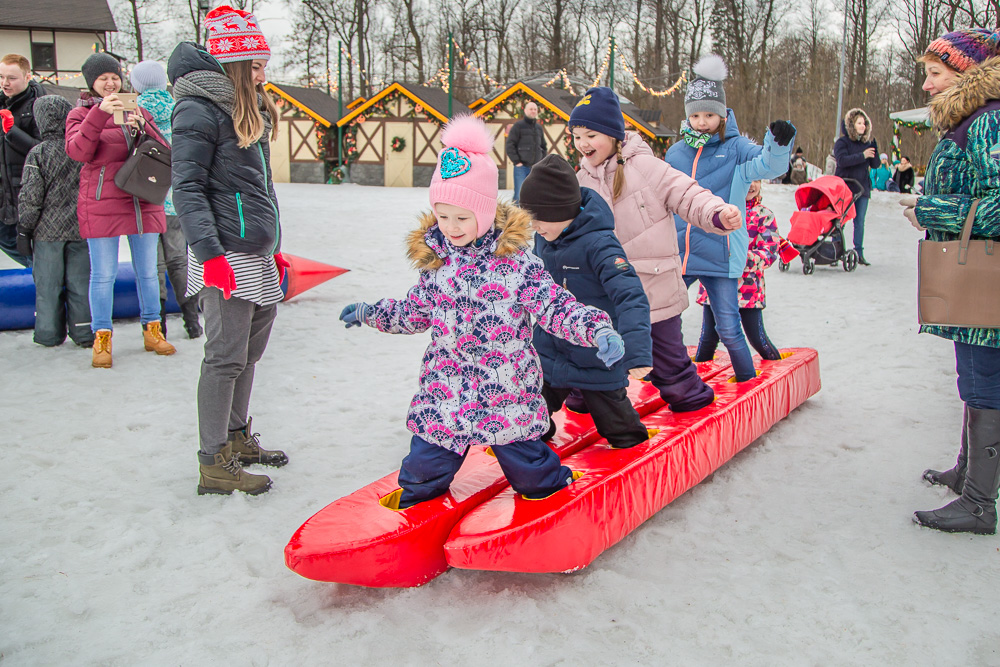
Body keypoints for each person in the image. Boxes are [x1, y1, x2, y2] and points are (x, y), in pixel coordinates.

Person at [339, 115, 625, 509]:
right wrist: (371, 313)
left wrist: (596, 330)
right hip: (445, 393)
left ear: (486, 212)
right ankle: (413, 512)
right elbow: (415, 311)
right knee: (423, 466)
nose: (451, 227)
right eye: (442, 216)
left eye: (462, 217)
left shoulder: (515, 265)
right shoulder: (436, 261)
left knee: (530, 467)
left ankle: (551, 494)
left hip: (506, 393)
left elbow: (555, 306)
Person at [169, 6, 290, 496]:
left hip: (255, 251)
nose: (263, 75)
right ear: (234, 66)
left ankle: (237, 436)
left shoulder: (247, 109)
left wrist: (275, 247)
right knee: (224, 356)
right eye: (256, 66)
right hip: (224, 250)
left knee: (249, 352)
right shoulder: (198, 108)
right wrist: (211, 254)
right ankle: (213, 460)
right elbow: (187, 188)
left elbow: (260, 188)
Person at [570, 86, 742, 412]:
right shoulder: (581, 180)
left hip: (653, 287)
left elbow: (686, 194)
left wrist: (717, 214)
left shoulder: (646, 168)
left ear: (612, 134)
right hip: (604, 291)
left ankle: (690, 399)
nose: (583, 143)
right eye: (577, 136)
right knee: (591, 353)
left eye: (591, 134)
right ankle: (585, 401)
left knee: (666, 357)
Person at [903, 28, 1000, 535]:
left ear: (969, 75)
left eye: (935, 74)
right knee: (973, 372)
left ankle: (982, 502)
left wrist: (930, 207)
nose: (927, 85)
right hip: (974, 272)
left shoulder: (988, 122)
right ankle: (969, 472)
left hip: (986, 276)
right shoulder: (970, 120)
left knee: (986, 377)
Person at [664, 55, 795, 382]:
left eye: (709, 114)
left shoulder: (736, 149)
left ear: (722, 113)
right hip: (681, 254)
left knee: (728, 325)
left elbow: (769, 166)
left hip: (721, 253)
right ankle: (664, 375)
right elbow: (661, 193)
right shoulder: (676, 153)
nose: (702, 122)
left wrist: (778, 144)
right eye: (695, 115)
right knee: (663, 316)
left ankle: (747, 381)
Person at [519, 154, 653, 449]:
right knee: (528, 414)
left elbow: (630, 294)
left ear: (563, 212)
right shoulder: (545, 236)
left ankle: (633, 453)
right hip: (551, 352)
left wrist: (637, 352)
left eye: (539, 219)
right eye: (531, 219)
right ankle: (536, 438)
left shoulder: (600, 244)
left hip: (596, 357)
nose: (535, 227)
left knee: (619, 428)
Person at [66, 52, 175, 368]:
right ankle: (102, 336)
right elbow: (77, 152)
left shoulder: (136, 109)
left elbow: (163, 152)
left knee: (148, 272)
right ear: (92, 83)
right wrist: (98, 114)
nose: (110, 83)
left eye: (114, 77)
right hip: (102, 202)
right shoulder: (79, 113)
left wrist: (145, 127)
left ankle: (152, 329)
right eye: (103, 79)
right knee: (103, 274)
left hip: (142, 198)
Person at [131, 60, 203, 340]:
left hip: (146, 199)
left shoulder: (134, 112)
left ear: (136, 85)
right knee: (179, 261)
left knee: (152, 266)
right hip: (177, 201)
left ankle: (156, 325)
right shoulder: (179, 111)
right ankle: (192, 321)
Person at [16, 95, 93, 347]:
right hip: (81, 229)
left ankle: (48, 334)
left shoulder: (38, 153)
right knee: (80, 286)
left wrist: (24, 229)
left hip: (46, 233)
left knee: (48, 287)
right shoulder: (80, 148)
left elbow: (31, 195)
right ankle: (84, 332)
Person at [694, 180, 781, 363]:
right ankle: (697, 381)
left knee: (756, 338)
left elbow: (769, 252)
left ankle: (777, 368)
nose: (751, 185)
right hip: (715, 286)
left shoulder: (763, 215)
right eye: (746, 180)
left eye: (756, 180)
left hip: (748, 291)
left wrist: (738, 258)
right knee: (709, 338)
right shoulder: (721, 213)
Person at [0, 53, 43, 267]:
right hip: (4, 189)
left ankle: (42, 277)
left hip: (26, 189)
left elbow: (44, 150)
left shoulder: (37, 106)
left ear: (27, 77)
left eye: (11, 78)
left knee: (26, 244)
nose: (5, 83)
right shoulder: (2, 103)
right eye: (1, 77)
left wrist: (12, 131)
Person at [834, 108, 879, 266]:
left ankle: (859, 253)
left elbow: (875, 164)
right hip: (845, 187)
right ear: (851, 125)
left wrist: (874, 148)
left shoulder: (866, 144)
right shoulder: (842, 142)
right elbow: (842, 161)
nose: (863, 126)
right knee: (840, 220)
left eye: (864, 123)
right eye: (859, 123)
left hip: (862, 188)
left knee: (859, 221)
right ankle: (835, 250)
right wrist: (862, 156)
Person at [505, 101, 546, 202]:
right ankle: (516, 217)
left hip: (536, 168)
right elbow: (510, 145)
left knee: (534, 195)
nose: (533, 111)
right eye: (531, 109)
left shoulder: (538, 128)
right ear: (525, 110)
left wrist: (542, 161)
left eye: (535, 109)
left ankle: (533, 217)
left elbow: (543, 146)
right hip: (521, 168)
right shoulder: (518, 126)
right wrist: (517, 162)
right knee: (519, 195)